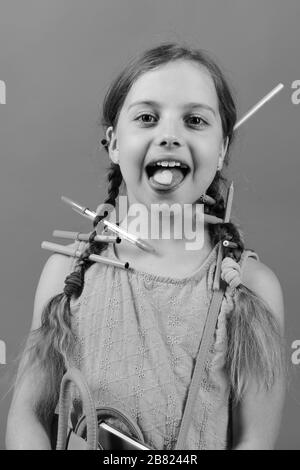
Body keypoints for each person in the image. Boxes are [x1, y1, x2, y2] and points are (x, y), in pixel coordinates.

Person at [6, 43, 285, 450]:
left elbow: (255, 440)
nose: (169, 135)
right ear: (115, 143)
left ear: (222, 148)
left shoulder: (251, 288)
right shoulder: (68, 274)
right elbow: (26, 417)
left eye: (194, 120)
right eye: (147, 117)